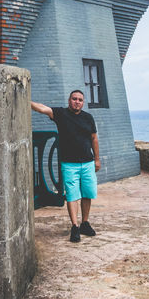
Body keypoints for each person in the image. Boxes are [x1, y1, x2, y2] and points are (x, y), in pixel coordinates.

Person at [31, 90, 100, 243]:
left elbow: (94, 138)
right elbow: (43, 108)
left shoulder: (88, 118)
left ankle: (85, 223)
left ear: (83, 102)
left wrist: (97, 159)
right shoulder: (61, 114)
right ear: (69, 100)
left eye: (80, 100)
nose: (77, 101)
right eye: (74, 99)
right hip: (69, 164)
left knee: (87, 194)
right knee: (72, 196)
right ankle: (75, 226)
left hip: (88, 163)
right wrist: (27, 101)